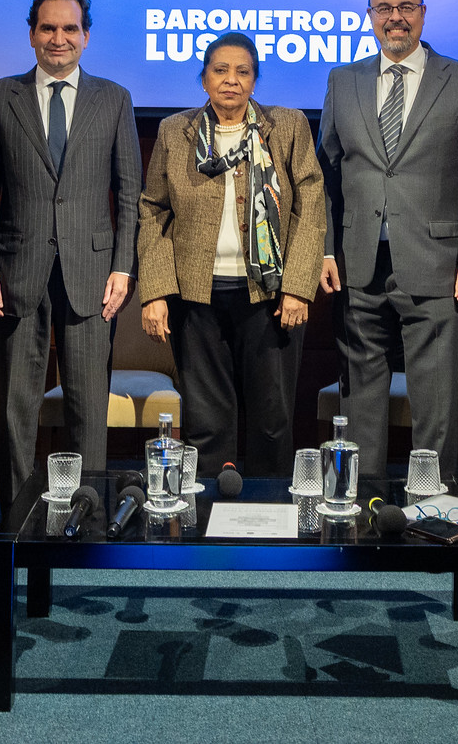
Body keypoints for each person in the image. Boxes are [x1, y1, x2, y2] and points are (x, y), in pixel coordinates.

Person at [318, 0, 458, 491]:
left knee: (435, 397)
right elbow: (325, 176)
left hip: (438, 262)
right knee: (360, 395)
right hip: (358, 260)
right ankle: (361, 500)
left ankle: (430, 504)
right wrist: (325, 250)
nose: (395, 18)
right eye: (384, 9)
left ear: (423, 13)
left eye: (406, 7)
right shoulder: (342, 81)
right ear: (370, 17)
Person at [0, 0, 141, 511]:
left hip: (93, 274)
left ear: (86, 37)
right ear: (31, 35)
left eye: (70, 29)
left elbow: (129, 195)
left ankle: (84, 516)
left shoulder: (114, 99)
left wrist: (123, 268)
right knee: (15, 407)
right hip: (14, 272)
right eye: (48, 28)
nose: (59, 38)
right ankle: (17, 519)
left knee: (88, 409)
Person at [137, 32, 325, 477]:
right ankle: (208, 511)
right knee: (206, 423)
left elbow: (311, 207)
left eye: (243, 71)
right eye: (220, 70)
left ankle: (270, 511)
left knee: (272, 422)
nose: (231, 80)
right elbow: (153, 210)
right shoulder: (175, 131)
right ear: (204, 79)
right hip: (195, 297)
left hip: (270, 295)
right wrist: (156, 292)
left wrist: (299, 287)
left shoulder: (287, 126)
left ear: (255, 80)